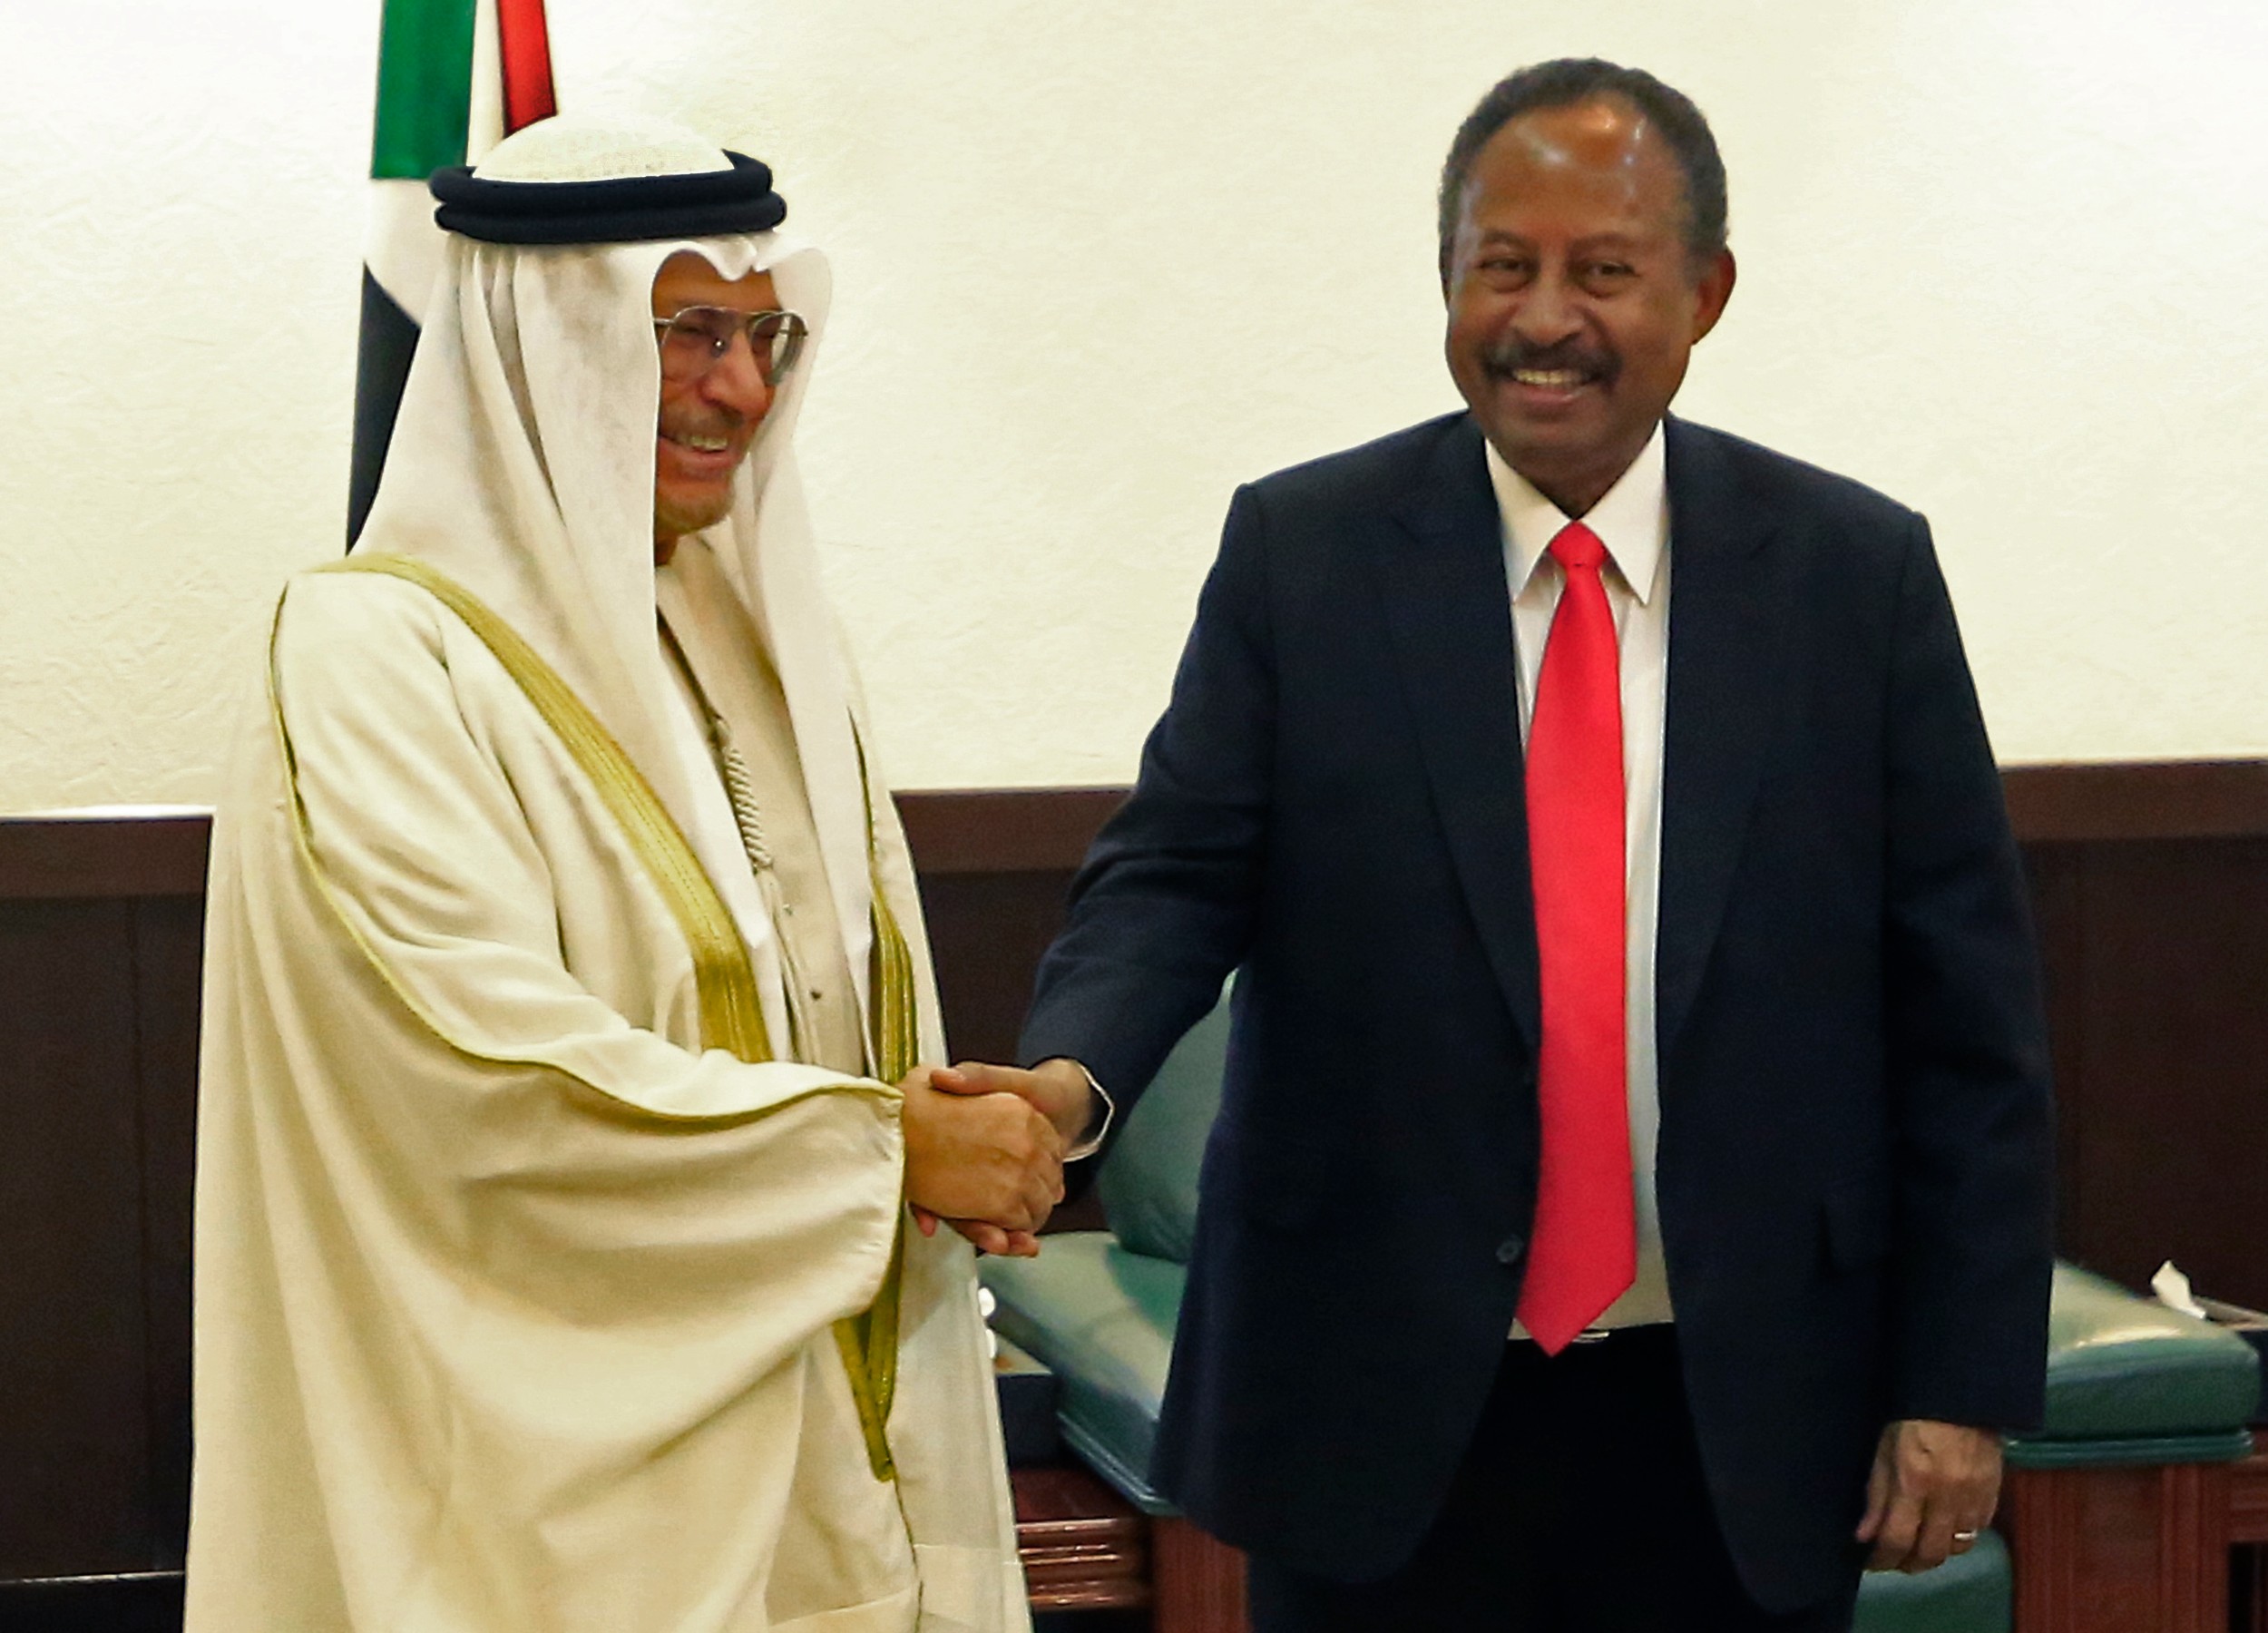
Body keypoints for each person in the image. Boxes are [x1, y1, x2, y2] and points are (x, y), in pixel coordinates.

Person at [1001, 58, 2055, 1631]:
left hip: (1745, 1412)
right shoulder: (1307, 554)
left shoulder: (1853, 577)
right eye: (1503, 266)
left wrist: (1957, 1382)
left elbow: (1970, 1023)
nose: (1543, 318)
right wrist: (1065, 1082)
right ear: (1448, 280)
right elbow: (1172, 875)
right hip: (1378, 1402)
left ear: (1705, 295)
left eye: (1602, 271)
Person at [186, 113, 1080, 1632]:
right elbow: (477, 1087)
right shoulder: (372, 656)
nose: (744, 388)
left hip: (826, 1434)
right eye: (688, 333)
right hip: (549, 1519)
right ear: (548, 343)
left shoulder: (758, 626)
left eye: (762, 334)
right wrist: (880, 1156)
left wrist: (945, 1131)